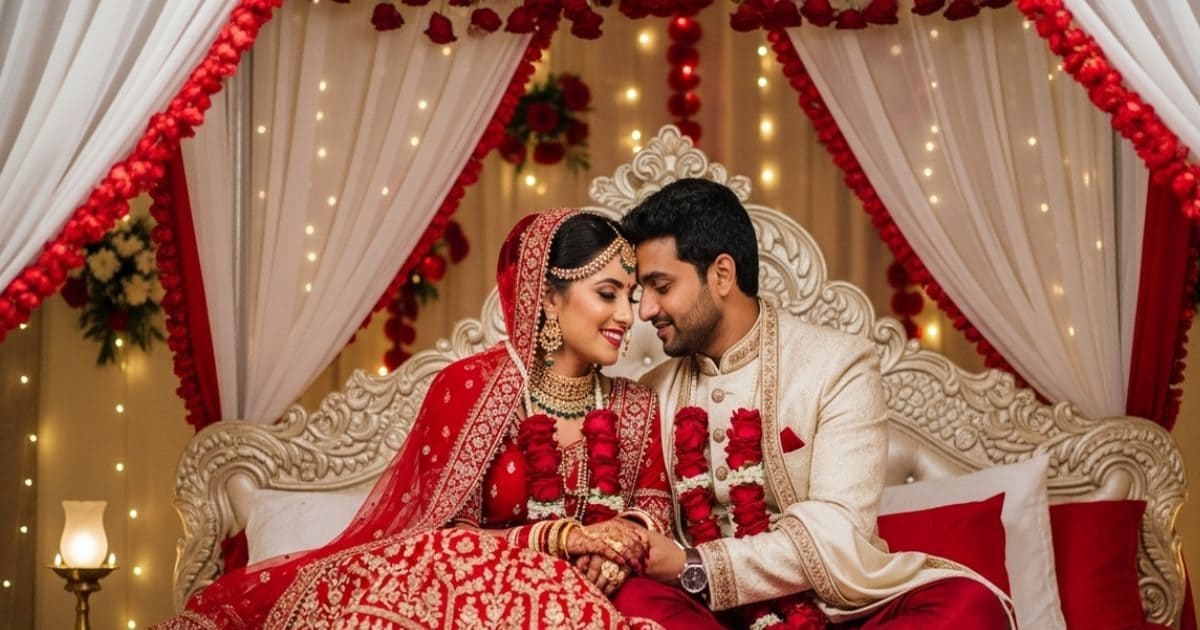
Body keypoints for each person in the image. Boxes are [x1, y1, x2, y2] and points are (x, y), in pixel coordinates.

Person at [156, 209, 720, 629]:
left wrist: (616, 552)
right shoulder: (471, 389)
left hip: (611, 593)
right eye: (608, 294)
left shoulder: (633, 404)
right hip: (486, 597)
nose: (627, 316)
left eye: (631, 297)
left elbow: (650, 509)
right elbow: (445, 534)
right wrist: (565, 539)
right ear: (548, 297)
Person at [619, 179, 1012, 629]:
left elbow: (838, 530)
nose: (645, 310)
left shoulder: (837, 365)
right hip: (707, 616)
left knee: (970, 605)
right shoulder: (651, 392)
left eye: (661, 286)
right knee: (631, 596)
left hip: (833, 609)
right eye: (642, 291)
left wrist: (697, 565)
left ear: (722, 274)